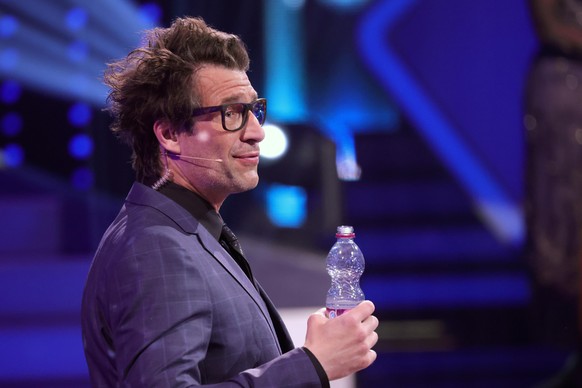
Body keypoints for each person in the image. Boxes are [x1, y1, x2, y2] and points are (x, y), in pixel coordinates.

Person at [81, 16, 378, 387]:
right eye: (232, 113)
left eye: (254, 110)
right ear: (170, 134)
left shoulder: (183, 234)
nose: (256, 133)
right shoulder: (156, 248)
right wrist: (312, 365)